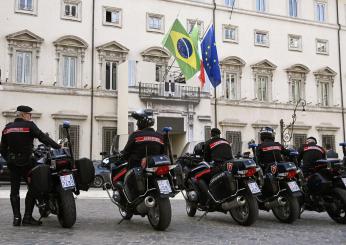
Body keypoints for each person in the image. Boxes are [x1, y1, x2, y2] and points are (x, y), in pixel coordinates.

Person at [0, 105, 61, 226]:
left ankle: (16, 218)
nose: (30, 116)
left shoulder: (7, 128)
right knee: (33, 189)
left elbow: (2, 149)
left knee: (14, 191)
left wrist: (9, 159)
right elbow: (43, 138)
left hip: (13, 164)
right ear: (23, 114)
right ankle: (27, 217)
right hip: (27, 163)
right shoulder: (29, 126)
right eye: (29, 114)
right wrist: (58, 147)